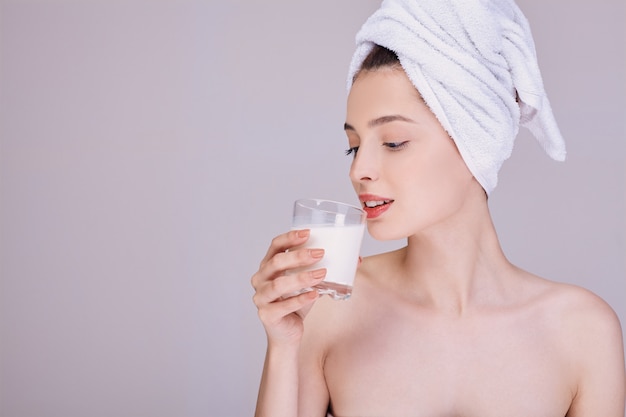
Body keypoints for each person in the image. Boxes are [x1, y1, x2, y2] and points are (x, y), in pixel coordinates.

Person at [251, 1, 626, 416]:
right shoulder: (329, 309)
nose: (359, 169)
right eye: (353, 146)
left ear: (475, 143)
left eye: (393, 142)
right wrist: (283, 347)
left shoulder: (582, 332)